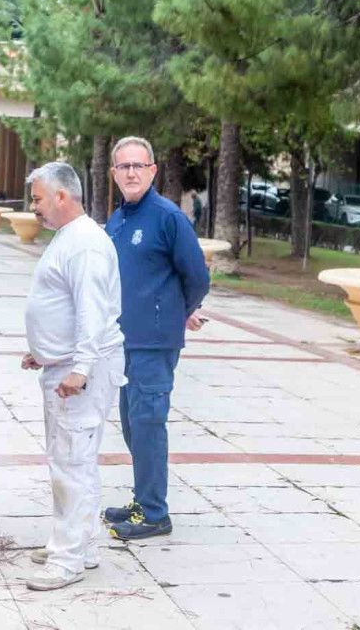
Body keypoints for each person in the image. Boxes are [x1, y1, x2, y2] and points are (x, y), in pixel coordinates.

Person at [21, 162, 124, 591]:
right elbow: (64, 305)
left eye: (39, 198)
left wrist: (79, 369)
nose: (34, 208)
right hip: (64, 365)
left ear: (63, 196)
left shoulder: (84, 244)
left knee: (70, 465)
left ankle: (66, 561)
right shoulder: (71, 238)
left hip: (81, 372)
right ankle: (82, 545)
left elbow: (91, 312)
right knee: (76, 461)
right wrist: (44, 351)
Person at [102, 136, 210, 540]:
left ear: (152, 171)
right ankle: (142, 497)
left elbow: (197, 276)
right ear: (114, 174)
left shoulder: (168, 217)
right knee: (133, 426)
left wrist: (181, 311)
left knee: (148, 423)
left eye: (138, 165)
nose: (131, 172)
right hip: (123, 341)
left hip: (153, 343)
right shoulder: (119, 219)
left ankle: (154, 513)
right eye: (123, 166)